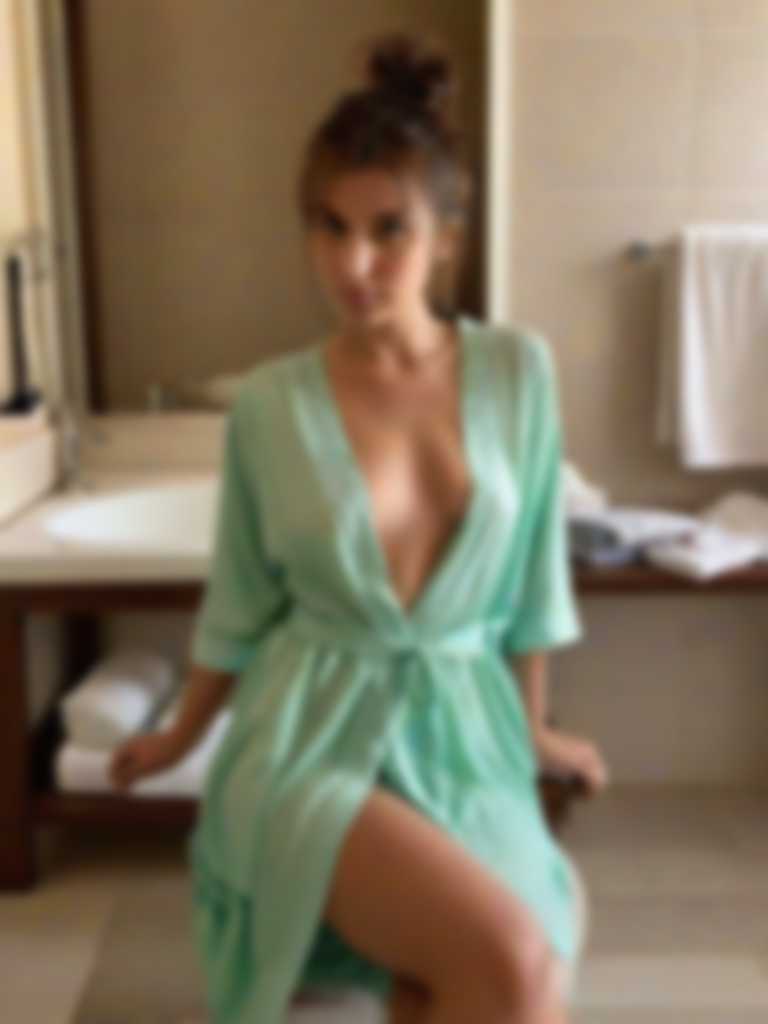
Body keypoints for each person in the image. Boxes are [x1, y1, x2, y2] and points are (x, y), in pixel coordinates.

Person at [108, 29, 609, 1024]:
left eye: (390, 231)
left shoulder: (518, 372)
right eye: (330, 227)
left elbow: (532, 585)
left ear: (447, 238)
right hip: (308, 736)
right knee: (513, 967)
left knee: (471, 978)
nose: (355, 263)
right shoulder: (271, 406)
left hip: (463, 733)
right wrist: (179, 736)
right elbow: (239, 604)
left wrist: (534, 730)